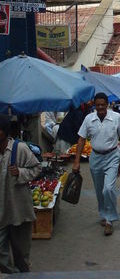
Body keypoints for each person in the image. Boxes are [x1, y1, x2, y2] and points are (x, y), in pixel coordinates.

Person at [73, 92, 120, 236]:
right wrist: (77, 161)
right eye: (98, 105)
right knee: (99, 190)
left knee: (108, 189)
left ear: (107, 104)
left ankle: (110, 220)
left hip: (112, 156)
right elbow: (81, 140)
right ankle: (104, 214)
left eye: (103, 104)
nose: (101, 107)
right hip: (95, 157)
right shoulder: (88, 119)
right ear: (94, 106)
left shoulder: (116, 117)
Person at [0, 115, 42, 273]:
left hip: (19, 210)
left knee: (21, 255)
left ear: (4, 132)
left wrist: (20, 172)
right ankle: (13, 274)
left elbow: (37, 168)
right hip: (1, 211)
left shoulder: (20, 149)